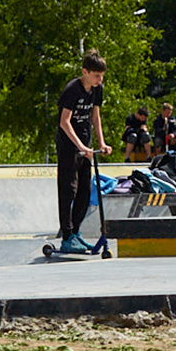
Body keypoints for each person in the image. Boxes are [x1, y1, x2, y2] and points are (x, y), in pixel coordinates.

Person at [55, 50, 113, 253]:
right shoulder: (73, 89)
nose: (99, 80)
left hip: (85, 144)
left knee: (85, 190)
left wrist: (102, 142)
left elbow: (95, 117)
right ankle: (67, 235)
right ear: (85, 72)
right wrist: (79, 146)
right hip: (68, 144)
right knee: (68, 189)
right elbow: (64, 122)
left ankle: (76, 232)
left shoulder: (98, 89)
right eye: (96, 75)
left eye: (102, 76)